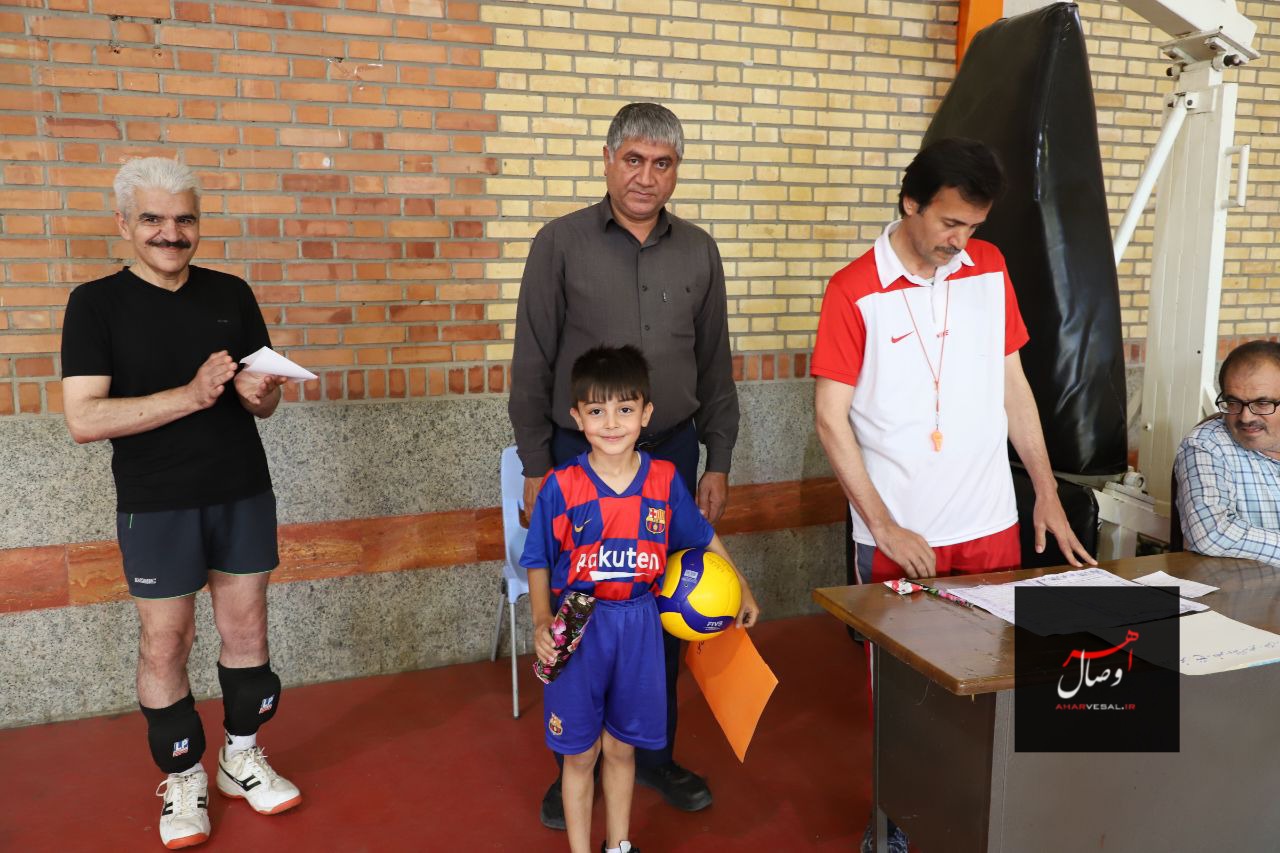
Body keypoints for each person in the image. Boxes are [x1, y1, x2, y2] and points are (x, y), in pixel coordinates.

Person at [810, 137, 1094, 853]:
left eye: (973, 225)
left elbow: (1014, 388)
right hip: (902, 534)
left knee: (992, 683)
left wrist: (1045, 490)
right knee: (903, 695)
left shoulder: (989, 268)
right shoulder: (853, 290)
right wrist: (885, 526)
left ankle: (981, 817)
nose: (960, 240)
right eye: (948, 222)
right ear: (911, 202)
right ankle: (896, 821)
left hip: (991, 523)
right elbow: (830, 419)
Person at [509, 102, 739, 827]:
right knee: (579, 611)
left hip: (668, 453)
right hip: (577, 456)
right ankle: (572, 759)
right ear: (608, 160)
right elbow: (531, 360)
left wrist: (718, 457)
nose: (646, 176)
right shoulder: (560, 243)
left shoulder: (698, 251)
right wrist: (537, 464)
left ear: (677, 171)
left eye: (662, 164)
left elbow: (715, 364)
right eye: (633, 159)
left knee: (660, 608)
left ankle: (655, 752)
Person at [60, 157, 298, 849]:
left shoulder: (231, 293)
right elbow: (84, 418)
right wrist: (191, 396)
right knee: (167, 639)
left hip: (241, 488)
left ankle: (240, 757)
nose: (171, 232)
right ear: (124, 224)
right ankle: (183, 774)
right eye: (153, 219)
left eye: (184, 218)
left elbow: (262, 399)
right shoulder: (95, 304)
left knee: (247, 630)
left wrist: (261, 395)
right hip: (157, 501)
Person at [522, 345, 759, 853]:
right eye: (597, 410)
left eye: (625, 409)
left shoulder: (663, 480)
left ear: (646, 414)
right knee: (580, 755)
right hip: (577, 625)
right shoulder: (561, 487)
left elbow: (702, 537)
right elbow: (537, 558)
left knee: (621, 749)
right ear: (577, 417)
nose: (611, 423)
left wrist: (740, 584)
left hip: (640, 623)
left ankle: (619, 845)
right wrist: (542, 619)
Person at [1174, 340, 1280, 561]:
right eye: (1233, 403)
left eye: (1262, 403)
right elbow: (1211, 534)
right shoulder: (1207, 444)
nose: (1246, 417)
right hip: (1245, 583)